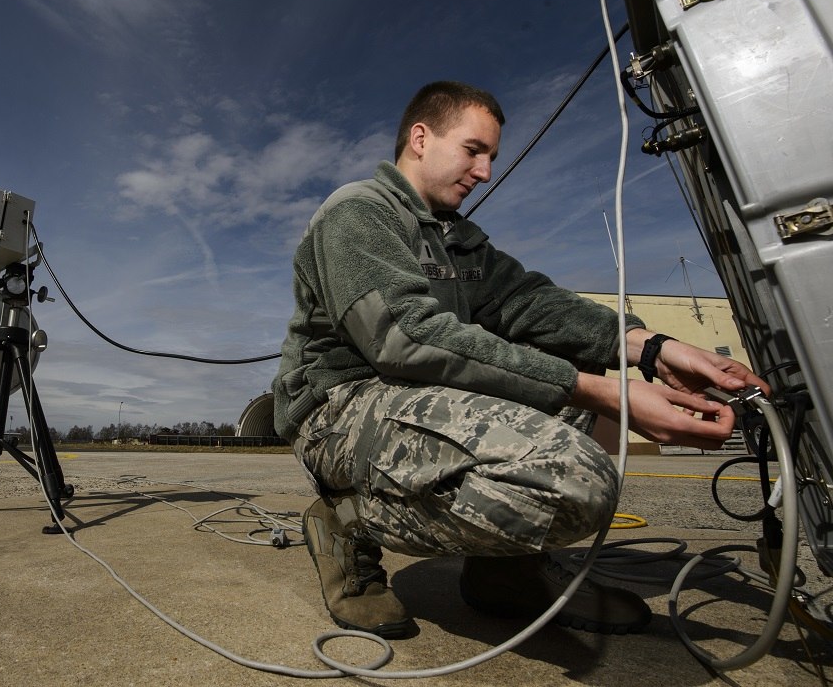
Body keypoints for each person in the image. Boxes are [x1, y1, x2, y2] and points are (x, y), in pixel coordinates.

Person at [272, 80, 768, 638]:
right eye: (473, 150)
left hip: (410, 397)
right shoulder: (358, 212)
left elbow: (534, 303)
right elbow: (404, 338)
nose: (484, 171)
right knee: (574, 476)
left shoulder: (461, 241)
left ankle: (507, 576)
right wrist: (600, 391)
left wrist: (654, 348)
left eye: (491, 157)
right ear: (420, 138)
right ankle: (346, 520)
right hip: (340, 406)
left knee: (566, 354)